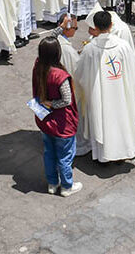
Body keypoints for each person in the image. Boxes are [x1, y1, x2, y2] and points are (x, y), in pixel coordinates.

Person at [73, 10, 135, 162]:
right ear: (111, 25)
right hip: (121, 94)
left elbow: (79, 74)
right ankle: (124, 152)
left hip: (101, 95)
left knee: (103, 121)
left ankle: (104, 158)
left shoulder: (90, 49)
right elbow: (132, 71)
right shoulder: (123, 46)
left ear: (95, 28)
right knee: (122, 119)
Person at [32, 37, 82, 197]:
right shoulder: (60, 75)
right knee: (65, 156)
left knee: (49, 153)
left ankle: (52, 183)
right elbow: (66, 100)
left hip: (45, 120)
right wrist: (52, 104)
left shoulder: (38, 67)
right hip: (62, 123)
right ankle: (67, 186)